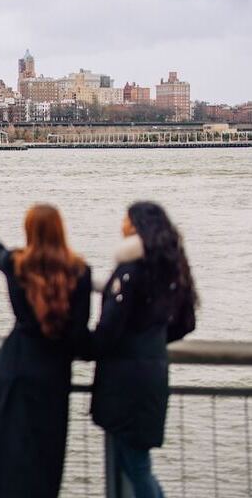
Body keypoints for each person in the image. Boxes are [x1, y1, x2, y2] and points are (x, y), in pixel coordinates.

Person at [0, 204, 91, 497]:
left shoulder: (17, 264)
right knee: (43, 463)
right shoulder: (79, 272)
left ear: (28, 231)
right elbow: (79, 336)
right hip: (52, 377)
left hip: (14, 369)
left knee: (7, 462)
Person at [88, 201, 197, 498]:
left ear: (136, 226)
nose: (121, 224)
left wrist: (86, 344)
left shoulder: (131, 270)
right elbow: (186, 322)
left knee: (136, 466)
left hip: (125, 382)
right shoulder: (170, 268)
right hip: (152, 374)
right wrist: (152, 342)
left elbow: (110, 328)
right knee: (134, 461)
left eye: (125, 219)